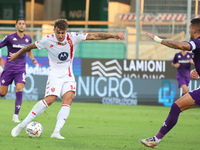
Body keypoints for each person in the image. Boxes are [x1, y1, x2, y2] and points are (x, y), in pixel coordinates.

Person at [9, 18, 125, 139]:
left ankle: (56, 132)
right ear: (54, 30)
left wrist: (114, 35)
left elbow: (95, 36)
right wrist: (16, 55)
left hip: (68, 75)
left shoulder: (73, 37)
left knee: (69, 98)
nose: (60, 35)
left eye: (62, 33)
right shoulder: (47, 40)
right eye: (58, 32)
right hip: (54, 74)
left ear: (66, 31)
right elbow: (29, 47)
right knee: (50, 99)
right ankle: (23, 124)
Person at [139, 18, 200, 149]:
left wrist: (157, 39)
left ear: (194, 30)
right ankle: (156, 139)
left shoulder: (197, 42)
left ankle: (156, 140)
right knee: (176, 107)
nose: (188, 30)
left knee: (176, 107)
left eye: (189, 28)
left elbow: (180, 45)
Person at [0, 18, 37, 122]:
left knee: (19, 89)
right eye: (19, 24)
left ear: (25, 26)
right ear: (16, 26)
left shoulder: (28, 39)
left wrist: (33, 59)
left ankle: (15, 116)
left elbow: (29, 51)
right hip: (9, 69)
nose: (21, 25)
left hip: (20, 69)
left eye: (23, 24)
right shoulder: (9, 38)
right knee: (2, 93)